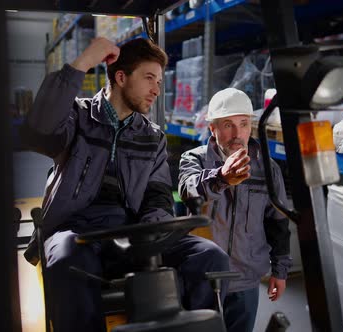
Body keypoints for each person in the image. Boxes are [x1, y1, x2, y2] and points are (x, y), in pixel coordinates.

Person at [21, 37, 230, 332]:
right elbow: (37, 132)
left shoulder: (152, 136)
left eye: (159, 81)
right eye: (149, 79)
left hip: (132, 232)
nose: (157, 89)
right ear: (121, 77)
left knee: (210, 256)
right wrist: (81, 64)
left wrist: (154, 236)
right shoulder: (78, 117)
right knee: (68, 258)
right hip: (77, 232)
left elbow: (157, 196)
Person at [178, 88, 293, 332]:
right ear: (213, 129)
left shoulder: (267, 169)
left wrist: (280, 270)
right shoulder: (194, 159)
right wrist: (221, 178)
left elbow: (278, 222)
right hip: (202, 277)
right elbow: (189, 190)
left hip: (245, 279)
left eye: (243, 124)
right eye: (227, 124)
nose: (237, 133)